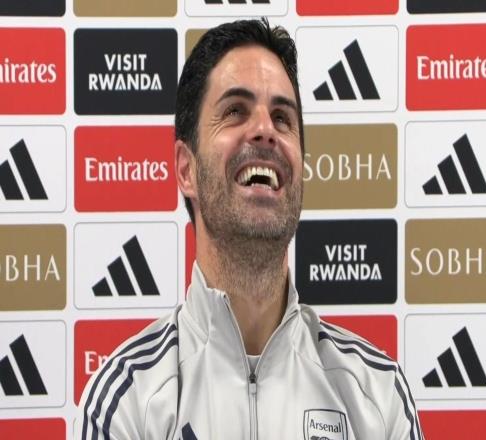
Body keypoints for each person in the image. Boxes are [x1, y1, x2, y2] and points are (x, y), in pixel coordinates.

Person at [75, 18, 423, 440]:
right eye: (235, 111)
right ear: (186, 169)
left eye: (282, 117)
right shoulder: (128, 401)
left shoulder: (377, 394)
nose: (264, 130)